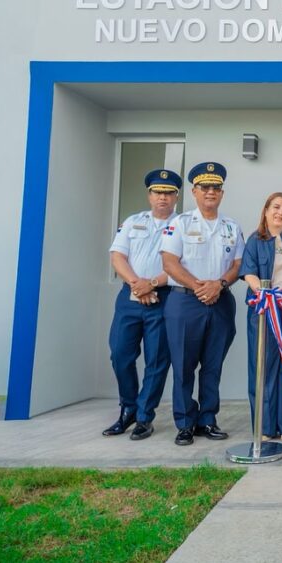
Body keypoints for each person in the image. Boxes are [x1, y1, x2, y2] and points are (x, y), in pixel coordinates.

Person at [161, 162, 244, 446]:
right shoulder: (179, 223)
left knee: (212, 366)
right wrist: (200, 287)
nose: (211, 192)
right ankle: (185, 423)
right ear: (194, 191)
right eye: (205, 187)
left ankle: (208, 419)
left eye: (216, 188)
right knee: (183, 365)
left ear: (222, 193)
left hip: (220, 302)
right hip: (185, 303)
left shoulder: (232, 227)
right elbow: (169, 263)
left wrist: (218, 285)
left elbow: (237, 265)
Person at [103, 168, 181, 440]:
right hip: (130, 298)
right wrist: (138, 284)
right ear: (149, 195)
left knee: (157, 360)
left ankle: (144, 417)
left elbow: (183, 264)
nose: (163, 197)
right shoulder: (132, 221)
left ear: (176, 197)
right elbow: (117, 257)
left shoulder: (182, 224)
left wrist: (154, 283)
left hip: (164, 298)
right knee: (120, 354)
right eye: (158, 192)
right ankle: (128, 408)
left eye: (169, 193)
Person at [240, 192, 282, 442]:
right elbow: (248, 272)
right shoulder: (255, 240)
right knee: (264, 366)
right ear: (266, 210)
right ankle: (266, 425)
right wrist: (262, 291)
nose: (281, 212)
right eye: (276, 207)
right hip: (266, 308)